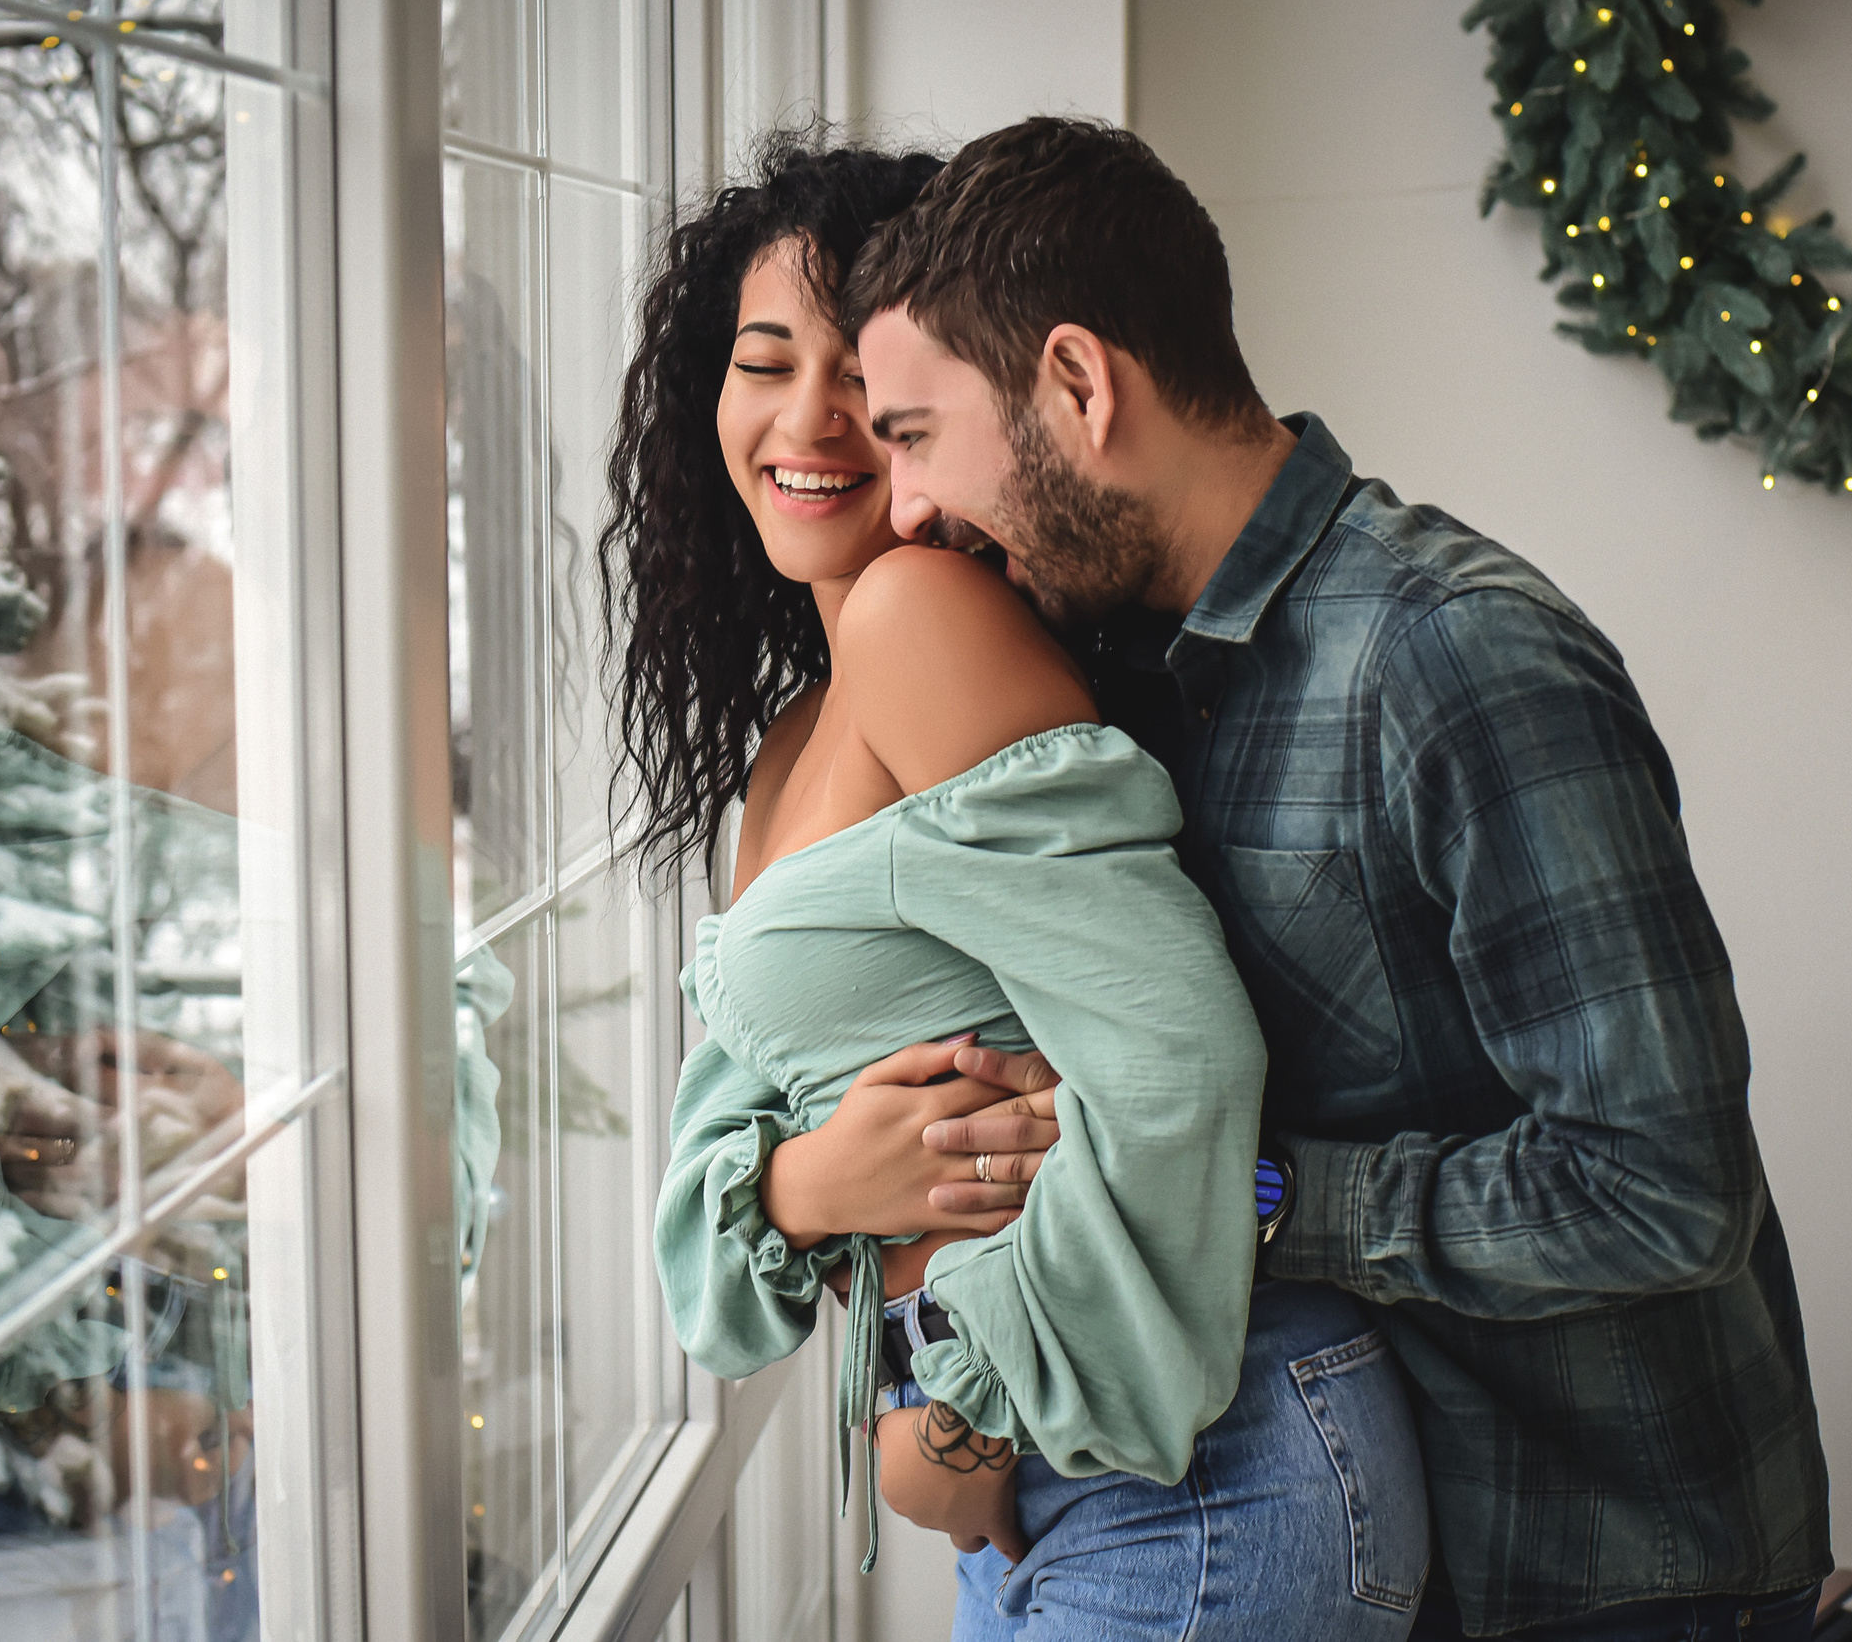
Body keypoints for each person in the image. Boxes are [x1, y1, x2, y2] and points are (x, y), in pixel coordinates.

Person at [837, 118, 1834, 1642]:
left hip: (1610, 1583)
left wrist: (1243, 1202)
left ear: (1080, 386)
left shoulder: (1456, 656)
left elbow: (1665, 1192)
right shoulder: (1115, 671)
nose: (903, 505)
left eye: (914, 433)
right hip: (1369, 1541)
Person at [610, 136, 1426, 1638]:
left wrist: (958, 1426)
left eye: (860, 375)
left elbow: (1179, 1059)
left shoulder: (926, 620)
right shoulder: (797, 730)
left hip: (1186, 1466)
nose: (808, 419)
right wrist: (805, 1185)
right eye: (761, 362)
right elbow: (722, 1218)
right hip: (1065, 1469)